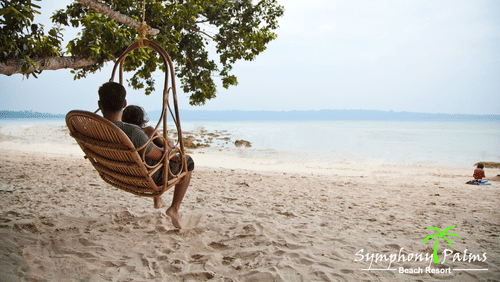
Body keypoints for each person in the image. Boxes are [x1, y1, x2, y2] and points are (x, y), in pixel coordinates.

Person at [98, 81, 194, 229]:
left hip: (117, 172)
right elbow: (160, 156)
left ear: (100, 104)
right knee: (187, 162)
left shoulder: (96, 128)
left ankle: (159, 200)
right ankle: (174, 208)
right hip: (146, 176)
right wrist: (171, 149)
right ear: (124, 103)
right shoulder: (133, 132)